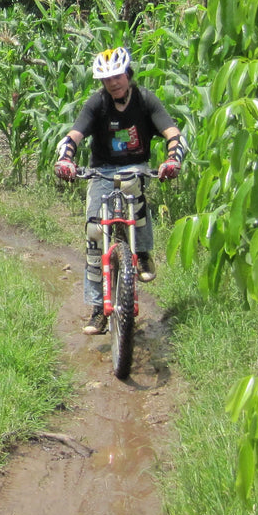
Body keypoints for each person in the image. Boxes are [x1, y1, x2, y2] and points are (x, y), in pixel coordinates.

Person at [54, 47, 186, 335]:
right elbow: (74, 135)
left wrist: (172, 159)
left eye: (117, 76)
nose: (113, 83)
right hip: (101, 171)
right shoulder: (97, 104)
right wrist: (65, 158)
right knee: (93, 234)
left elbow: (172, 133)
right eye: (106, 79)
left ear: (127, 74)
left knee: (134, 192)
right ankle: (98, 309)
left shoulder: (145, 100)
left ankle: (142, 252)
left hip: (135, 167)